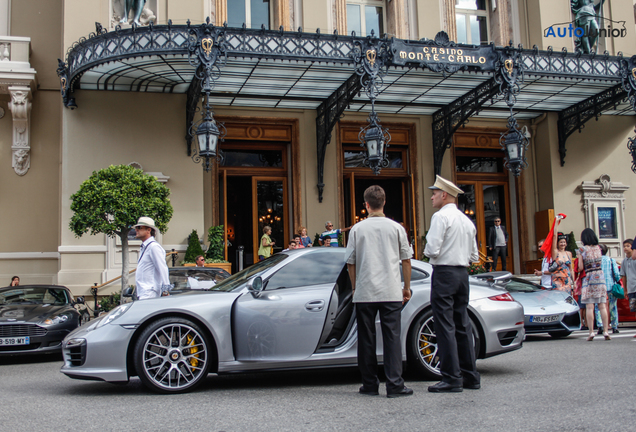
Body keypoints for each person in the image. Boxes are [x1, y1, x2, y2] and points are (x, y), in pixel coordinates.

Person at [346, 185, 413, 398]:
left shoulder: (357, 229)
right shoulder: (397, 228)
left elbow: (351, 263)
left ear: (366, 205)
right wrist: (406, 287)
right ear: (384, 202)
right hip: (391, 290)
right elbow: (406, 260)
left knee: (366, 339)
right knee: (392, 338)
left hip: (365, 291)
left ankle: (369, 384)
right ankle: (395, 385)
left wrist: (355, 287)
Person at [424, 175, 480, 393]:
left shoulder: (440, 217)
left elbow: (432, 249)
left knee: (444, 325)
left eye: (434, 193)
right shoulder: (466, 220)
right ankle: (470, 376)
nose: (432, 197)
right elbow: (474, 255)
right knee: (462, 324)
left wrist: (429, 253)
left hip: (444, 272)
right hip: (462, 273)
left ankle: (451, 377)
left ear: (444, 195)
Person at [578, 228, 610, 341]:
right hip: (600, 277)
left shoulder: (582, 249)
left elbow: (580, 267)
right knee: (602, 305)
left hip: (589, 277)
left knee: (589, 306)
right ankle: (606, 330)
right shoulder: (598, 248)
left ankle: (591, 332)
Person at [134, 216, 171, 300]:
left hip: (149, 292)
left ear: (148, 230)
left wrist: (165, 288)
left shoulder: (153, 247)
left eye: (139, 227)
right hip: (144, 291)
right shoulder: (146, 246)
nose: (136, 230)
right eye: (136, 228)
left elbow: (162, 267)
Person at [594, 244, 620, 334]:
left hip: (599, 286)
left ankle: (600, 325)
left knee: (598, 307)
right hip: (610, 285)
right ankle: (614, 326)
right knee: (613, 306)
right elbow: (616, 274)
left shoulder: (595, 261)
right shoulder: (611, 260)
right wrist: (617, 281)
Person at [620, 238, 636, 338]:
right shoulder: (624, 261)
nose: (626, 248)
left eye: (628, 246)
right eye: (624, 246)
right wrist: (625, 289)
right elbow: (623, 276)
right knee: (634, 309)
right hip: (631, 288)